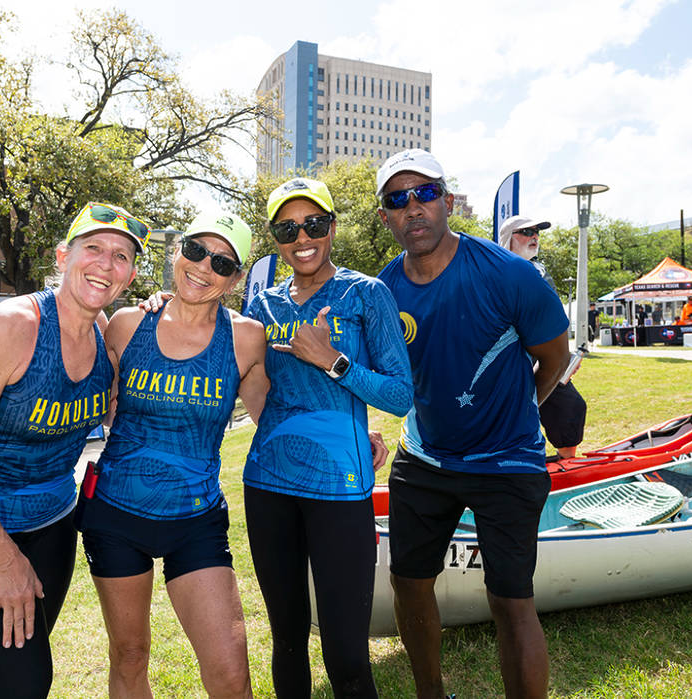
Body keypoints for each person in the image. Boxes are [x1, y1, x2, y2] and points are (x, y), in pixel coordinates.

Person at [0, 202, 147, 698]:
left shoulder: (107, 331)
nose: (106, 265)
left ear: (131, 274)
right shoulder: (10, 327)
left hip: (53, 522)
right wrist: (2, 562)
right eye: (94, 249)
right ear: (64, 256)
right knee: (21, 686)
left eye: (122, 256)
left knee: (23, 678)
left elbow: (116, 413)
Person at [375, 149, 569, 699]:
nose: (413, 208)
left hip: (508, 460)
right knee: (408, 584)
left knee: (511, 599)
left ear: (448, 201)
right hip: (426, 456)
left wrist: (520, 411)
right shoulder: (382, 290)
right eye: (397, 199)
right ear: (386, 216)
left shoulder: (509, 274)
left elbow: (555, 355)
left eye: (425, 194)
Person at [81, 212, 268, 698]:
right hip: (117, 513)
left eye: (222, 262)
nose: (204, 266)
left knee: (230, 674)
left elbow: (277, 415)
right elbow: (89, 400)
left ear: (236, 278)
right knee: (129, 656)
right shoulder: (127, 324)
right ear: (176, 251)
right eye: (196, 249)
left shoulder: (245, 338)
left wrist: (355, 428)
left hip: (196, 520)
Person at [244, 178, 412, 698]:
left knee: (345, 653)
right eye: (287, 228)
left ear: (332, 227)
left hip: (341, 491)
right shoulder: (262, 306)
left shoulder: (367, 294)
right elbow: (249, 379)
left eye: (314, 224)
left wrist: (333, 362)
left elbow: (402, 394)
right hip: (268, 484)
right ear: (276, 238)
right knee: (288, 640)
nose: (302, 237)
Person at [500, 215, 587, 461]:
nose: (534, 236)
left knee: (571, 406)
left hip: (542, 359)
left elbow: (552, 318)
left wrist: (564, 357)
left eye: (537, 232)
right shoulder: (493, 272)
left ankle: (567, 465)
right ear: (508, 238)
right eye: (526, 232)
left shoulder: (541, 272)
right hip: (509, 362)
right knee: (512, 416)